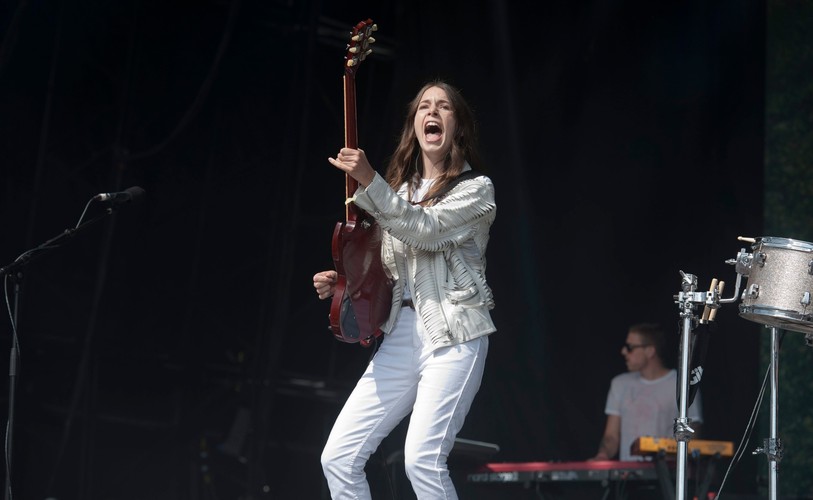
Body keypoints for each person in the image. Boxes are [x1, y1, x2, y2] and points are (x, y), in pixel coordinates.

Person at [312, 80, 497, 499]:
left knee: (422, 460)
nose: (432, 112)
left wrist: (368, 181)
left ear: (459, 127)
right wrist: (342, 279)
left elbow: (423, 230)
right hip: (401, 333)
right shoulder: (400, 193)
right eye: (424, 107)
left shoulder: (477, 190)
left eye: (443, 107)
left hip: (454, 335)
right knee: (338, 457)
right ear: (414, 125)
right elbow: (388, 266)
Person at [590, 322, 703, 462]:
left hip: (668, 476)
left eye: (630, 347)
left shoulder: (682, 385)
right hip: (628, 477)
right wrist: (603, 455)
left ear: (650, 351)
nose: (623, 352)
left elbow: (693, 433)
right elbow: (611, 436)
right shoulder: (619, 384)